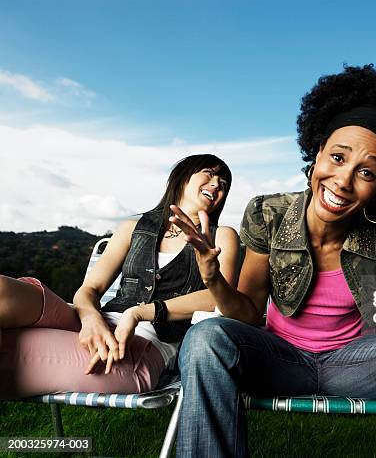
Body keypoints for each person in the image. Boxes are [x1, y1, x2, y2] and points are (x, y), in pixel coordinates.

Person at [171, 64, 376, 457]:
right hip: (281, 358)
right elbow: (246, 314)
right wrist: (214, 280)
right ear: (316, 155)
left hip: (355, 363)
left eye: (366, 171)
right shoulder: (269, 212)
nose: (344, 180)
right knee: (205, 338)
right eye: (337, 157)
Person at [0, 154, 239, 398]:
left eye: (223, 184)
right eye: (209, 173)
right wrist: (92, 318)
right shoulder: (132, 228)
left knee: (12, 349)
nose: (217, 184)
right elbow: (89, 289)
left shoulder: (223, 236)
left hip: (142, 343)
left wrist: (138, 313)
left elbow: (218, 300)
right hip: (92, 323)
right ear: (182, 178)